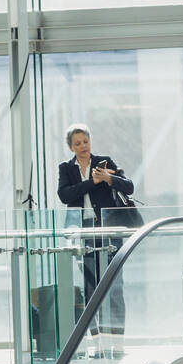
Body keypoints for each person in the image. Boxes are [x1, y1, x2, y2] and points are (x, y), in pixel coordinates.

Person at [57, 125, 132, 339]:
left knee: (115, 284)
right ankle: (97, 338)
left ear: (90, 141)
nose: (83, 146)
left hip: (109, 228)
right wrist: (93, 182)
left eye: (85, 141)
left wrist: (109, 179)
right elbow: (65, 195)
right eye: (77, 143)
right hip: (84, 230)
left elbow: (129, 186)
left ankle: (116, 338)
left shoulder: (104, 162)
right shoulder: (66, 168)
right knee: (91, 285)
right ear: (71, 147)